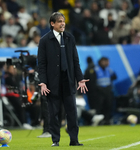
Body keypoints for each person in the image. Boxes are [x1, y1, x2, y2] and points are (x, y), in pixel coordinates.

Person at [37, 12, 89, 147]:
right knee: (54, 113)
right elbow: (41, 64)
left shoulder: (69, 38)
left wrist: (80, 79)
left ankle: (74, 140)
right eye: (59, 21)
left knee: (72, 112)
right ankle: (55, 140)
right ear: (52, 24)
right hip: (52, 83)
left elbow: (75, 61)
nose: (62, 24)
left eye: (63, 21)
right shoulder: (44, 41)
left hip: (68, 80)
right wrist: (43, 82)